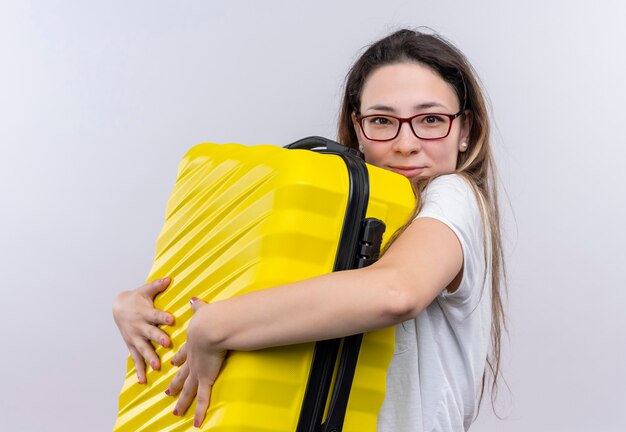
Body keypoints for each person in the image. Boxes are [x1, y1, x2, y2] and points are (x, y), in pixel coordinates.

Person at [113, 28, 506, 431]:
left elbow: (396, 292)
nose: (406, 142)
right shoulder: (348, 208)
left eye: (431, 119)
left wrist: (214, 326)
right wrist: (141, 309)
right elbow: (263, 293)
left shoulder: (453, 195)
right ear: (357, 128)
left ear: (466, 130)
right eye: (382, 120)